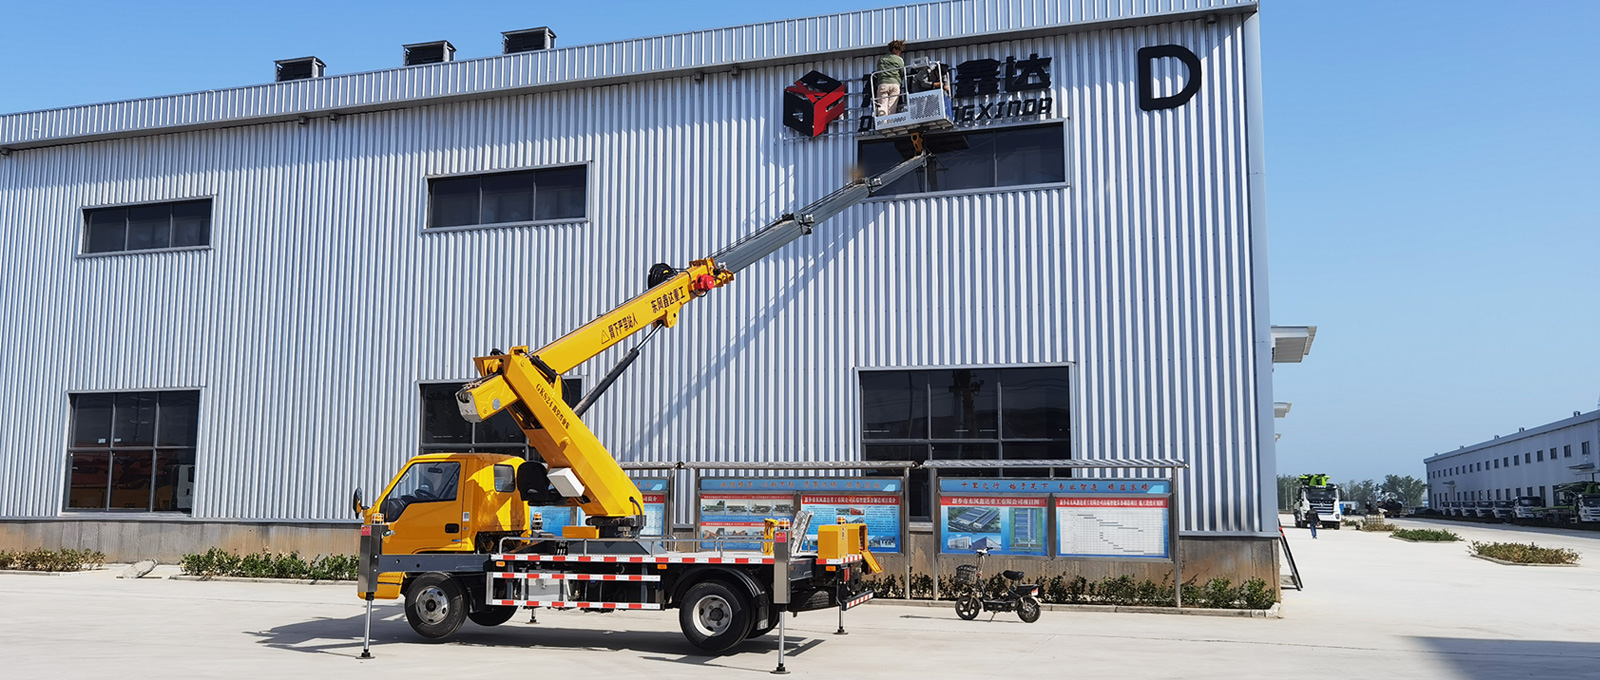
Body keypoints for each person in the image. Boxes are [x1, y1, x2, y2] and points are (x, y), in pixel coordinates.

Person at [875, 39, 907, 116]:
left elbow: (879, 71)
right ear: (894, 49)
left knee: (882, 105)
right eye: (899, 50)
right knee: (892, 107)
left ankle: (882, 120)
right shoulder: (899, 60)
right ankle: (890, 120)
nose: (900, 52)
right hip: (895, 84)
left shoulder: (881, 59)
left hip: (883, 83)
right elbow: (902, 72)